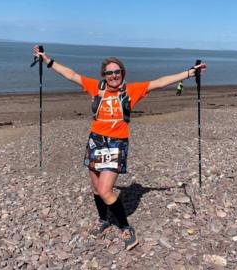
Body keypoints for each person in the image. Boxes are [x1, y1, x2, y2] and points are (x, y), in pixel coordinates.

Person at [32, 45, 205, 251]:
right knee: (96, 188)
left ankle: (125, 227)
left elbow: (159, 82)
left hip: (116, 143)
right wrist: (47, 60)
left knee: (106, 190)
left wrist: (189, 72)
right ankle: (103, 220)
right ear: (103, 75)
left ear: (123, 73)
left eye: (117, 72)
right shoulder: (96, 87)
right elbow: (71, 74)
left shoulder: (132, 90)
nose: (113, 75)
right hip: (95, 141)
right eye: (109, 72)